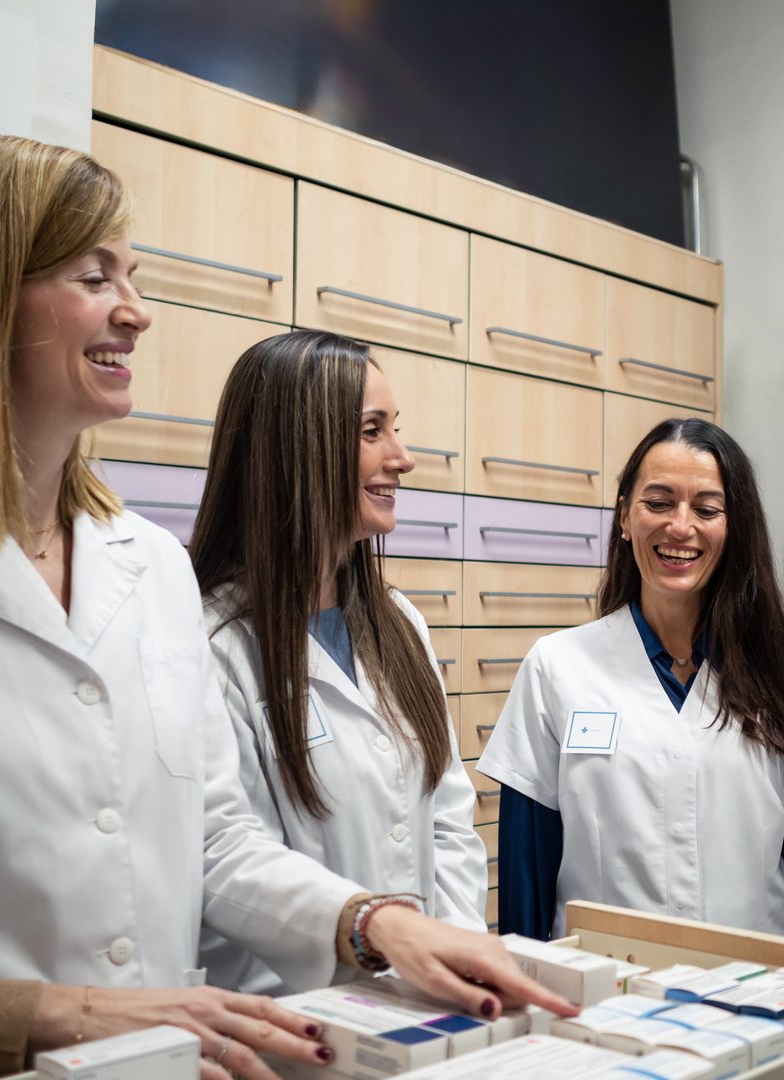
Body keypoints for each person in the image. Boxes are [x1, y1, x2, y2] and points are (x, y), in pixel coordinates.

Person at [0, 133, 571, 1080]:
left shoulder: (143, 567)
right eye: (94, 277)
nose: (138, 313)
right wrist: (40, 1013)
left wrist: (375, 922)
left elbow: (217, 836)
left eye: (132, 278)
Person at [189, 329, 487, 995]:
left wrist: (457, 954)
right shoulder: (214, 646)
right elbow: (231, 873)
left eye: (395, 430)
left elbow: (449, 822)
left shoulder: (398, 623)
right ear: (297, 451)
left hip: (428, 1007)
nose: (402, 458)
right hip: (298, 1027)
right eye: (371, 431)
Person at [476, 418, 784, 940]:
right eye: (659, 502)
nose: (680, 526)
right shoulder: (556, 667)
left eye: (707, 509)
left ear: (733, 526)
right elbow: (526, 871)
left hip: (753, 990)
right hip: (601, 992)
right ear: (625, 516)